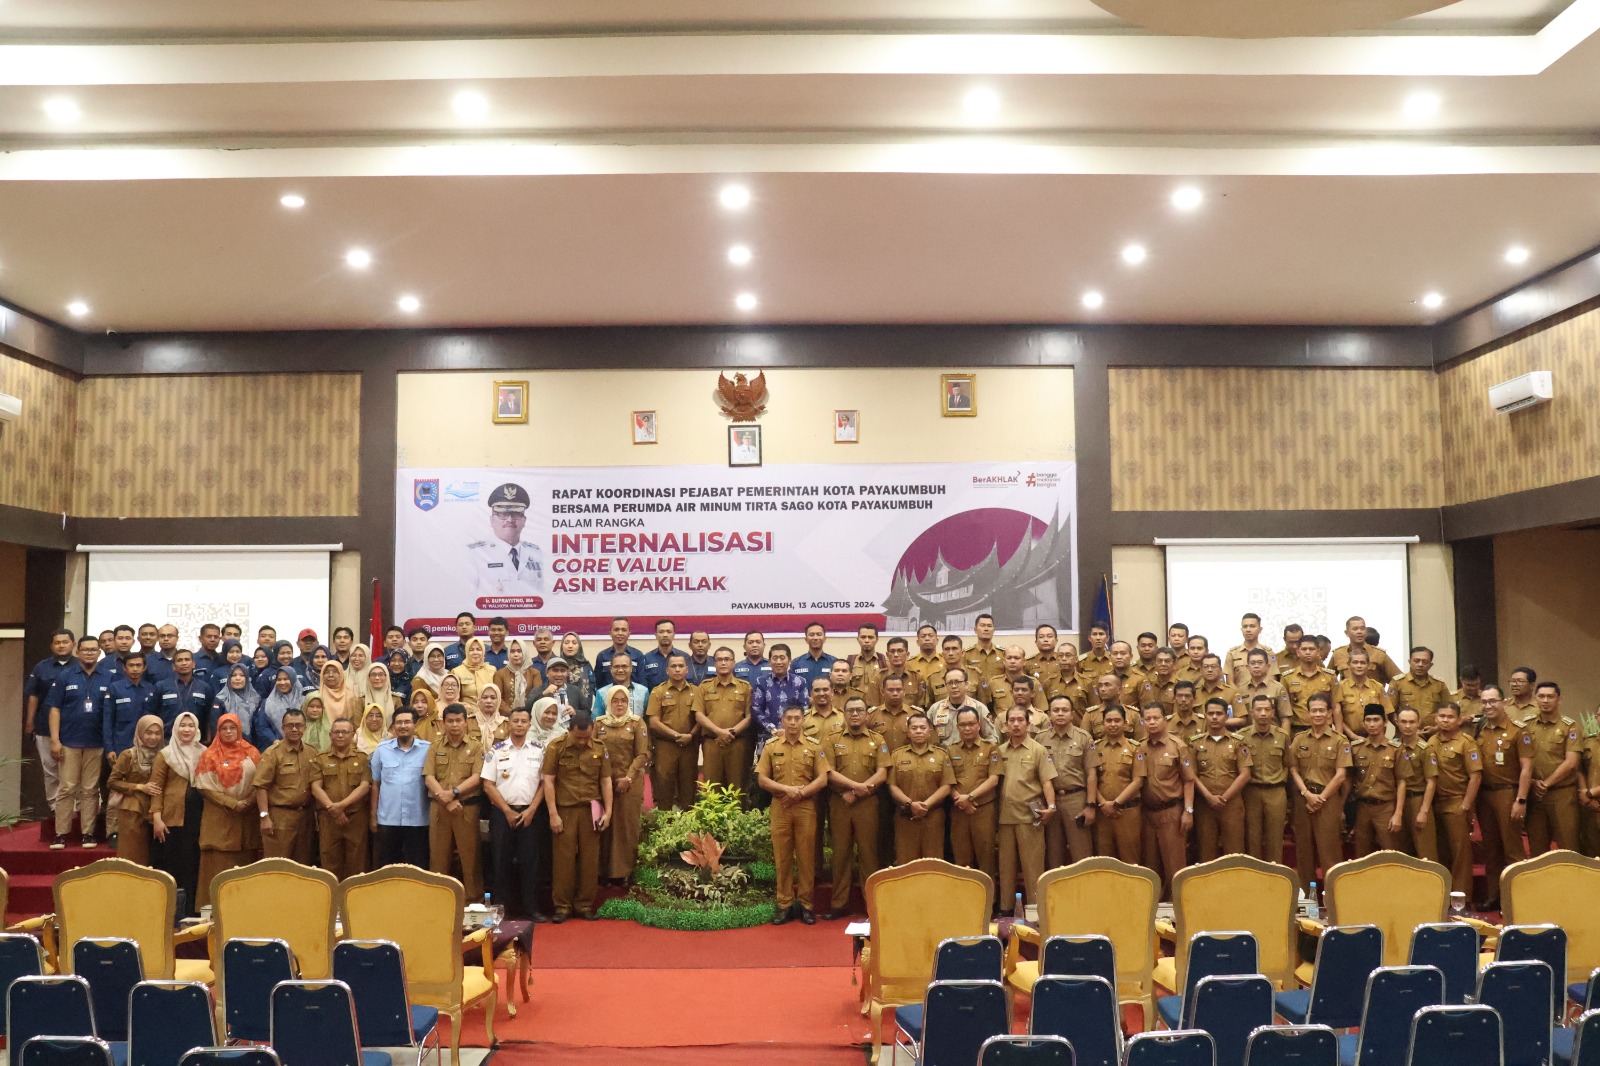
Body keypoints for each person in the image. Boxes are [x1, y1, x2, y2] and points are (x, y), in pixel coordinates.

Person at [758, 705, 830, 925]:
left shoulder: (814, 746)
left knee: (807, 857)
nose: (792, 722)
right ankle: (785, 904)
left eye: (797, 718)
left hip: (805, 806)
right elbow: (762, 779)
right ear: (782, 720)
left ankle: (806, 904)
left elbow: (823, 778)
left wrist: (799, 794)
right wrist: (786, 791)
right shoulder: (771, 747)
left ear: (803, 721)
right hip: (780, 806)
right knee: (782, 857)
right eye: (788, 718)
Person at [542, 711, 613, 922]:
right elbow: (548, 781)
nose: (582, 741)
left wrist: (608, 812)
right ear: (570, 731)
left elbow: (606, 781)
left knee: (590, 859)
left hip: (591, 809)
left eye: (586, 737)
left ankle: (584, 904)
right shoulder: (556, 747)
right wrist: (553, 814)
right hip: (565, 809)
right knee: (563, 860)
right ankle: (562, 906)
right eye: (578, 737)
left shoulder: (600, 748)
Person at [821, 697, 888, 920]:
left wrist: (860, 791)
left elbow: (883, 772)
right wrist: (853, 788)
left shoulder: (878, 740)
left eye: (860, 710)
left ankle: (873, 906)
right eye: (851, 711)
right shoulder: (831, 740)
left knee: (869, 855)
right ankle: (839, 904)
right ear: (845, 714)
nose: (855, 714)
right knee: (841, 854)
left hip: (868, 803)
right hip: (840, 802)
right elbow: (828, 771)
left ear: (867, 714)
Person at [483, 703, 551, 920]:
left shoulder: (539, 750)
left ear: (530, 723)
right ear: (508, 723)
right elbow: (488, 784)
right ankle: (501, 910)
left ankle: (531, 909)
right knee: (500, 861)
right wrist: (506, 810)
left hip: (531, 814)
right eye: (515, 721)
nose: (519, 725)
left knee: (530, 862)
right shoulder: (496, 750)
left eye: (524, 721)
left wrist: (531, 810)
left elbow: (543, 784)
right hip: (503, 814)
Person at [46, 635, 111, 849]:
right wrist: (55, 741)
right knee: (66, 788)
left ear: (99, 652)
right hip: (69, 741)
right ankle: (61, 833)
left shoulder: (108, 677)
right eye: (86, 649)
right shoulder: (66, 676)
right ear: (78, 652)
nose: (90, 653)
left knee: (91, 789)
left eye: (94, 649)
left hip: (97, 742)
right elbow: (54, 708)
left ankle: (88, 833)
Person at [195, 713, 262, 907]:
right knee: (217, 868)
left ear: (240, 729)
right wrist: (233, 803)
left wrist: (249, 801)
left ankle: (244, 908)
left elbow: (261, 781)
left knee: (244, 868)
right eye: (224, 728)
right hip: (219, 818)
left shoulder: (252, 752)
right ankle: (213, 911)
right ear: (218, 731)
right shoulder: (209, 754)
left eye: (233, 728)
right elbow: (204, 788)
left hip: (246, 818)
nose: (229, 732)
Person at [1473, 684, 1531, 908]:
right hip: (1484, 796)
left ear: (1504, 702)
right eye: (1484, 702)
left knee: (1512, 850)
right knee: (1491, 849)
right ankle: (1494, 897)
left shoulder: (1518, 730)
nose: (1488, 706)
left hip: (1508, 794)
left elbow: (1526, 768)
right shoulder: (1481, 729)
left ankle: (1516, 900)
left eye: (1493, 701)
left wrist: (1521, 800)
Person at [1127, 704, 1193, 896]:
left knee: (1174, 866)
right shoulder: (1139, 746)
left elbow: (1189, 781)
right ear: (1143, 721)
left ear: (1165, 719)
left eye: (1156, 718)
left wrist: (1188, 812)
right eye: (1148, 719)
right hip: (1146, 812)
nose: (1152, 722)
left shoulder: (1178, 746)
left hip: (1171, 811)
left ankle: (1178, 913)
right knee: (1150, 865)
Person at [997, 705, 1057, 914]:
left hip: (1029, 817)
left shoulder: (1037, 750)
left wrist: (1051, 807)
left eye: (1020, 720)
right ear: (1005, 726)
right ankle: (1004, 909)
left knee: (1033, 867)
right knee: (1006, 868)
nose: (1015, 724)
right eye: (1011, 720)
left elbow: (1047, 782)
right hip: (1004, 817)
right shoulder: (999, 751)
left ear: (1028, 724)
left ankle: (1034, 910)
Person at [1288, 694, 1351, 892]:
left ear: (1330, 713)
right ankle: (1307, 900)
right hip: (1303, 800)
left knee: (1329, 852)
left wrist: (1321, 798)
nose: (1317, 714)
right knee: (1303, 852)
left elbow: (1341, 775)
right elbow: (1293, 770)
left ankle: (1335, 899)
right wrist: (1307, 794)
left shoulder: (1341, 741)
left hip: (1328, 801)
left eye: (1321, 710)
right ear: (1308, 714)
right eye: (1313, 710)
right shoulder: (1298, 739)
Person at [150, 711, 206, 914]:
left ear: (197, 728)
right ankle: (168, 915)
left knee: (193, 866)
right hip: (171, 819)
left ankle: (191, 912)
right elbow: (156, 788)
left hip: (199, 818)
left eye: (191, 725)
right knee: (172, 867)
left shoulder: (205, 752)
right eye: (182, 725)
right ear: (175, 728)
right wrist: (156, 817)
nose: (187, 729)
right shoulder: (166, 754)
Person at [425, 703, 483, 895]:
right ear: (443, 723)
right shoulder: (435, 747)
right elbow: (428, 777)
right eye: (450, 721)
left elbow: (477, 777)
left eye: (459, 720)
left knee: (471, 858)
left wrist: (454, 792)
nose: (454, 725)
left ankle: (473, 901)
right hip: (439, 808)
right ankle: (439, 899)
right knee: (438, 859)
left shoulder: (476, 746)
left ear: (466, 723)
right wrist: (446, 798)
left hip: (466, 809)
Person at [595, 686, 650, 882]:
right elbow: (594, 752)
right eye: (615, 701)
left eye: (623, 701)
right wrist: (605, 780)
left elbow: (642, 754)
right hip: (604, 783)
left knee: (626, 827)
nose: (619, 704)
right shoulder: (599, 724)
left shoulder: (636, 723)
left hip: (630, 783)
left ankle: (624, 873)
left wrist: (628, 778)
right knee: (604, 827)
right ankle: (603, 872)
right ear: (608, 703)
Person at [885, 711, 954, 864]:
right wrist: (911, 804)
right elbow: (892, 786)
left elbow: (947, 785)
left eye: (922, 728)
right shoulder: (897, 755)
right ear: (908, 732)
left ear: (930, 732)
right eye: (914, 728)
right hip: (906, 817)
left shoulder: (941, 755)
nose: (918, 731)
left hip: (933, 818)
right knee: (906, 863)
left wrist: (926, 805)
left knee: (933, 863)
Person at [1035, 695, 1096, 866]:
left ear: (1072, 714)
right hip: (1050, 801)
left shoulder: (1084, 738)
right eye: (1056, 710)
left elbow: (1091, 774)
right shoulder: (1040, 739)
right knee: (1054, 854)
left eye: (1065, 710)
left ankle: (1084, 892)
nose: (1060, 714)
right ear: (1049, 713)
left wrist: (1090, 806)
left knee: (1081, 853)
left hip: (1076, 799)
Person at [1429, 703, 1482, 896]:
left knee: (1460, 854)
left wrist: (1466, 806)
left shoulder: (1466, 743)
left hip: (1457, 801)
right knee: (1440, 851)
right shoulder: (1432, 741)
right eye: (1442, 716)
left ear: (1459, 720)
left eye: (1450, 717)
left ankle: (1462, 897)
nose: (1445, 720)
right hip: (1435, 803)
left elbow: (1475, 777)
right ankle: (1442, 895)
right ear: (1436, 718)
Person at [1523, 681, 1581, 854]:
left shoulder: (1570, 726)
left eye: (1550, 696)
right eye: (1541, 696)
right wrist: (1533, 783)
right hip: (1535, 795)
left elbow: (1571, 763)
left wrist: (1546, 784)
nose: (1545, 700)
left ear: (1559, 699)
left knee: (1567, 847)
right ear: (1535, 698)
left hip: (1562, 794)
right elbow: (1521, 759)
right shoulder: (1526, 725)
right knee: (1537, 849)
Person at [369, 706, 432, 867]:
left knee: (418, 866)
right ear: (393, 727)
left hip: (418, 820)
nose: (403, 726)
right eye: (399, 723)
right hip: (388, 819)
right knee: (386, 867)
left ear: (415, 725)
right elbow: (375, 784)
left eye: (407, 722)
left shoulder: (428, 749)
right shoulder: (382, 750)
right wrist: (373, 816)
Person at [311, 717, 371, 881]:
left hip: (356, 818)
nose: (340, 735)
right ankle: (332, 902)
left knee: (357, 865)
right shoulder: (320, 758)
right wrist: (333, 809)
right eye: (336, 732)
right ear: (330, 735)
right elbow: (315, 787)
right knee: (330, 864)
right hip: (329, 820)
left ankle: (354, 902)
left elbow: (365, 786)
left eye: (344, 732)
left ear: (352, 735)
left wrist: (340, 807)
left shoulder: (362, 758)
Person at [1191, 697, 1252, 861]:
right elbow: (1192, 775)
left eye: (1219, 713)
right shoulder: (1196, 743)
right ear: (1205, 715)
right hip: (1205, 805)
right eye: (1211, 713)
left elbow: (1245, 774)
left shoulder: (1238, 742)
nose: (1215, 717)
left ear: (1226, 716)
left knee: (1234, 853)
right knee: (1206, 853)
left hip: (1231, 804)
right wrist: (1209, 797)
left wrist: (1223, 798)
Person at [253, 708, 316, 863]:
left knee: (303, 867)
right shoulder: (272, 754)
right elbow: (260, 787)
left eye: (299, 725)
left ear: (305, 728)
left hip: (305, 819)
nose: (295, 729)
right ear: (283, 728)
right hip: (280, 819)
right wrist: (264, 817)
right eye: (290, 725)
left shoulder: (312, 753)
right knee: (277, 866)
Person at [25, 629, 77, 809]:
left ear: (73, 644)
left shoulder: (80, 666)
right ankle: (56, 808)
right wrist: (30, 722)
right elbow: (33, 695)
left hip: (74, 729)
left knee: (73, 772)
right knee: (50, 770)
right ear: (52, 646)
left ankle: (75, 810)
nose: (61, 645)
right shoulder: (42, 667)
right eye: (57, 642)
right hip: (44, 727)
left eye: (65, 642)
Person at [647, 652, 704, 811]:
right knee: (664, 786)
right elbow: (653, 722)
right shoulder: (658, 692)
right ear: (667, 671)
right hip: (666, 746)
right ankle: (665, 826)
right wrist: (676, 735)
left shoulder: (696, 691)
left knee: (688, 786)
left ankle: (687, 827)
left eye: (681, 666)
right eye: (673, 666)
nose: (677, 669)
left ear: (687, 670)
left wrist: (691, 735)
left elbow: (701, 717)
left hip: (689, 746)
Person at [1240, 694, 1291, 864]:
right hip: (1251, 792)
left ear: (1273, 713)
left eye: (1267, 709)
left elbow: (1288, 765)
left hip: (1276, 792)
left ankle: (1275, 881)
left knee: (1275, 840)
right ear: (1251, 712)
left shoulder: (1282, 736)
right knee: (1252, 839)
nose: (1263, 713)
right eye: (1259, 709)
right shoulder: (1242, 737)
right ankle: (1254, 882)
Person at [108, 715, 166, 864]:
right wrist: (139, 787)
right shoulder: (128, 755)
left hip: (156, 810)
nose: (153, 737)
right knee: (132, 854)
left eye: (157, 733)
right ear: (140, 733)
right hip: (132, 810)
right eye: (148, 732)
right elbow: (112, 782)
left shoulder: (165, 755)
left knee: (153, 856)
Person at [468, 482, 543, 597]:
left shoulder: (537, 553)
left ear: (524, 520)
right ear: (491, 520)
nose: (509, 519)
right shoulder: (475, 554)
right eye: (502, 514)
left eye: (516, 514)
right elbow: (467, 599)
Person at [1348, 704, 1402, 854]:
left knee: (1391, 853)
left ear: (1385, 722)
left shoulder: (1395, 749)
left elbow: (1402, 782)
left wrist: (1398, 813)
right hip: (1362, 807)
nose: (1372, 724)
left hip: (1386, 807)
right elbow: (1349, 780)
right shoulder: (1356, 749)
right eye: (1368, 720)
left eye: (1376, 720)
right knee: (1362, 854)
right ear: (1363, 723)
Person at [698, 646, 753, 790]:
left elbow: (749, 716)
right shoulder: (704, 687)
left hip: (737, 744)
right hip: (712, 743)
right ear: (714, 663)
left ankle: (738, 814)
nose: (723, 663)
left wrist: (731, 733)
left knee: (737, 787)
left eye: (727, 659)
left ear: (734, 663)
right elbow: (699, 714)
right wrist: (718, 731)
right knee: (711, 787)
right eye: (719, 660)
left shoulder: (745, 687)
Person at [1394, 707, 1439, 861]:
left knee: (1425, 851)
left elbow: (1431, 781)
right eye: (1404, 722)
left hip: (1418, 800)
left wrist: (1424, 811)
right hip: (1397, 802)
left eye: (1412, 722)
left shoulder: (1425, 749)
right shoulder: (1392, 747)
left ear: (1419, 723)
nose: (1407, 726)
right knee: (1401, 852)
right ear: (1397, 722)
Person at [1282, 636, 1337, 732]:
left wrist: (1340, 735)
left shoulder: (1330, 676)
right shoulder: (1287, 678)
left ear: (1318, 652)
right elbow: (1284, 710)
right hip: (1297, 730)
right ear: (1298, 652)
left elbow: (1336, 707)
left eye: (1311, 649)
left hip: (1325, 729)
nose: (1308, 652)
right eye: (1304, 649)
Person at [1391, 647, 1451, 733]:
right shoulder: (1398, 682)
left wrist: (1437, 728)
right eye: (1416, 661)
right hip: (1405, 736)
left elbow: (1449, 710)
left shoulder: (1439, 684)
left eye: (1425, 662)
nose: (1420, 664)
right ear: (1409, 662)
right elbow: (1390, 712)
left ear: (1430, 665)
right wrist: (1407, 728)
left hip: (1434, 735)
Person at [157, 650, 214, 739]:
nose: (184, 663)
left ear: (193, 664)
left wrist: (208, 736)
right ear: (173, 666)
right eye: (179, 660)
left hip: (195, 740)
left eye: (187, 659)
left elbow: (209, 715)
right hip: (168, 739)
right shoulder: (162, 686)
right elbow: (153, 713)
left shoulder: (204, 687)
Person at [927, 667, 991, 745]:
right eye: (950, 683)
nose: (954, 686)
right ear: (945, 686)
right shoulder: (935, 709)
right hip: (944, 754)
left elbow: (991, 737)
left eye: (958, 682)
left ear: (966, 684)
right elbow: (928, 738)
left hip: (971, 754)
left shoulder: (979, 708)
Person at [1234, 648, 1291, 727]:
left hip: (1273, 736)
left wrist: (1284, 738)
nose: (1256, 666)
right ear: (1247, 667)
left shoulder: (1278, 688)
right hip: (1248, 737)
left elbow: (1285, 719)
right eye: (1253, 663)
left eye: (1260, 663)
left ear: (1267, 666)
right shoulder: (1241, 690)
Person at [254, 666, 304, 746]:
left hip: (302, 746)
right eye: (279, 680)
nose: (282, 682)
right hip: (277, 747)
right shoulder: (267, 702)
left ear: (293, 680)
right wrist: (274, 740)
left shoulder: (304, 700)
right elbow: (262, 726)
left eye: (286, 679)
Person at [494, 640, 544, 714]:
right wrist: (511, 713)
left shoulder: (534, 673)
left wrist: (525, 713)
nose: (516, 654)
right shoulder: (500, 674)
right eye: (512, 651)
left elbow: (537, 696)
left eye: (519, 651)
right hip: (506, 717)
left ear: (525, 653)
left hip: (529, 716)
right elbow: (497, 698)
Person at [594, 654, 649, 719]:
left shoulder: (643, 691)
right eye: (616, 666)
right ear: (611, 669)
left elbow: (647, 721)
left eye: (624, 666)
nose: (620, 670)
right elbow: (596, 720)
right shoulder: (601, 693)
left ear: (631, 668)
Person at [594, 617, 645, 682]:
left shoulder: (638, 655)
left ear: (629, 634)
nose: (620, 633)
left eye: (624, 630)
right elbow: (597, 683)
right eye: (616, 629)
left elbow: (642, 682)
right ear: (610, 633)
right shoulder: (602, 656)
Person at [639, 619, 684, 691]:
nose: (665, 635)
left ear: (674, 635)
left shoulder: (684, 657)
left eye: (669, 632)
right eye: (661, 632)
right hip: (654, 700)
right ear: (656, 635)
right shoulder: (647, 658)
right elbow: (643, 685)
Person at [791, 622, 837, 688]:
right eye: (811, 635)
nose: (815, 638)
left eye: (819, 634)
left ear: (825, 638)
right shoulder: (796, 663)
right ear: (806, 639)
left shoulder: (833, 662)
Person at [451, 638, 496, 703]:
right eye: (471, 650)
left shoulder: (492, 670)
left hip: (489, 711)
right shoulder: (457, 672)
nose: (475, 653)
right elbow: (454, 699)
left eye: (478, 649)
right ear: (466, 652)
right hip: (467, 711)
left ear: (483, 652)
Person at [467, 683, 509, 749]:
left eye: (493, 698)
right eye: (485, 697)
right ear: (479, 701)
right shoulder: (468, 722)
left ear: (498, 701)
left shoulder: (506, 724)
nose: (489, 701)